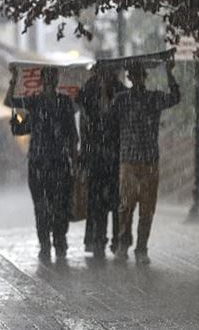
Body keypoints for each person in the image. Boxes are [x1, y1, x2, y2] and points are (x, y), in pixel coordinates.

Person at [5, 66, 78, 262]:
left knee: (59, 205)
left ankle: (59, 242)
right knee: (42, 206)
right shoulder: (35, 102)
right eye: (48, 78)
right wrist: (14, 79)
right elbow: (9, 102)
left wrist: (75, 158)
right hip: (39, 163)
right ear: (43, 81)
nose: (50, 82)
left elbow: (72, 134)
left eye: (52, 78)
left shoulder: (64, 103)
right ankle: (46, 244)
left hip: (59, 162)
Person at [111, 59, 180, 264]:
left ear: (144, 77)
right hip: (129, 160)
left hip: (149, 160)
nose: (137, 78)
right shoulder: (121, 99)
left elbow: (175, 97)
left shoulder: (153, 98)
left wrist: (170, 74)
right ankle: (124, 243)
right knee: (126, 205)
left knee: (147, 208)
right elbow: (107, 117)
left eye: (140, 74)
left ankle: (142, 248)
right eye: (133, 75)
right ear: (130, 78)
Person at [76, 65, 128, 259]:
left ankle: (116, 240)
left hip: (113, 155)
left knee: (115, 201)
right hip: (96, 155)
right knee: (97, 201)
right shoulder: (89, 90)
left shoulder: (119, 91)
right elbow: (83, 116)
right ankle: (98, 240)